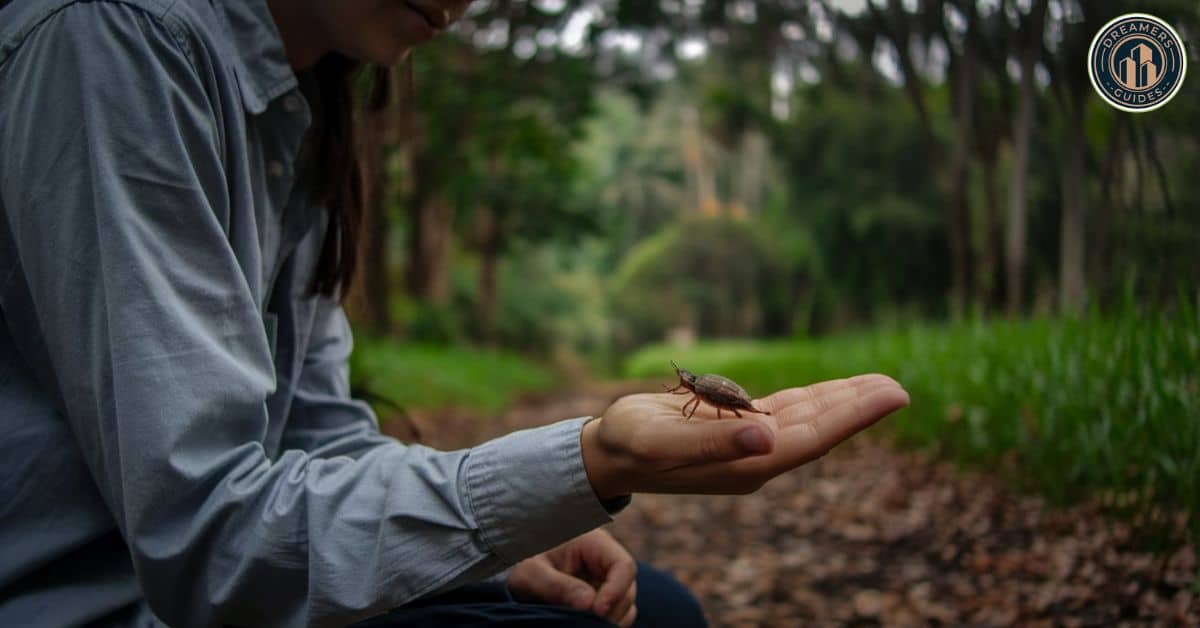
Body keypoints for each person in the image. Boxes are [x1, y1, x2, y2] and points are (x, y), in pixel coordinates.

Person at [0, 0, 911, 626]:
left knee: (651, 607)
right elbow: (207, 536)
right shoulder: (116, 41)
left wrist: (496, 548)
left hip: (222, 583)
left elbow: (320, 441)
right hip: (112, 601)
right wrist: (584, 462)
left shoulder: (308, 101)